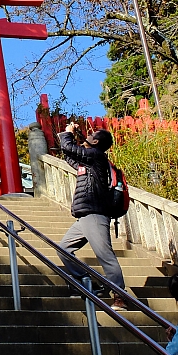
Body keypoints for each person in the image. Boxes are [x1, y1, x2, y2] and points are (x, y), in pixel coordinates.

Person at [58, 123, 127, 312]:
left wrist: (68, 134)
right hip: (85, 216)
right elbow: (69, 155)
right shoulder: (89, 161)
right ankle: (89, 282)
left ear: (95, 142)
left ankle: (119, 295)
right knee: (64, 248)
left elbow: (68, 147)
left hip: (95, 214)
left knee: (105, 256)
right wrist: (69, 138)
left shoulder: (96, 156)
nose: (88, 136)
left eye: (91, 135)